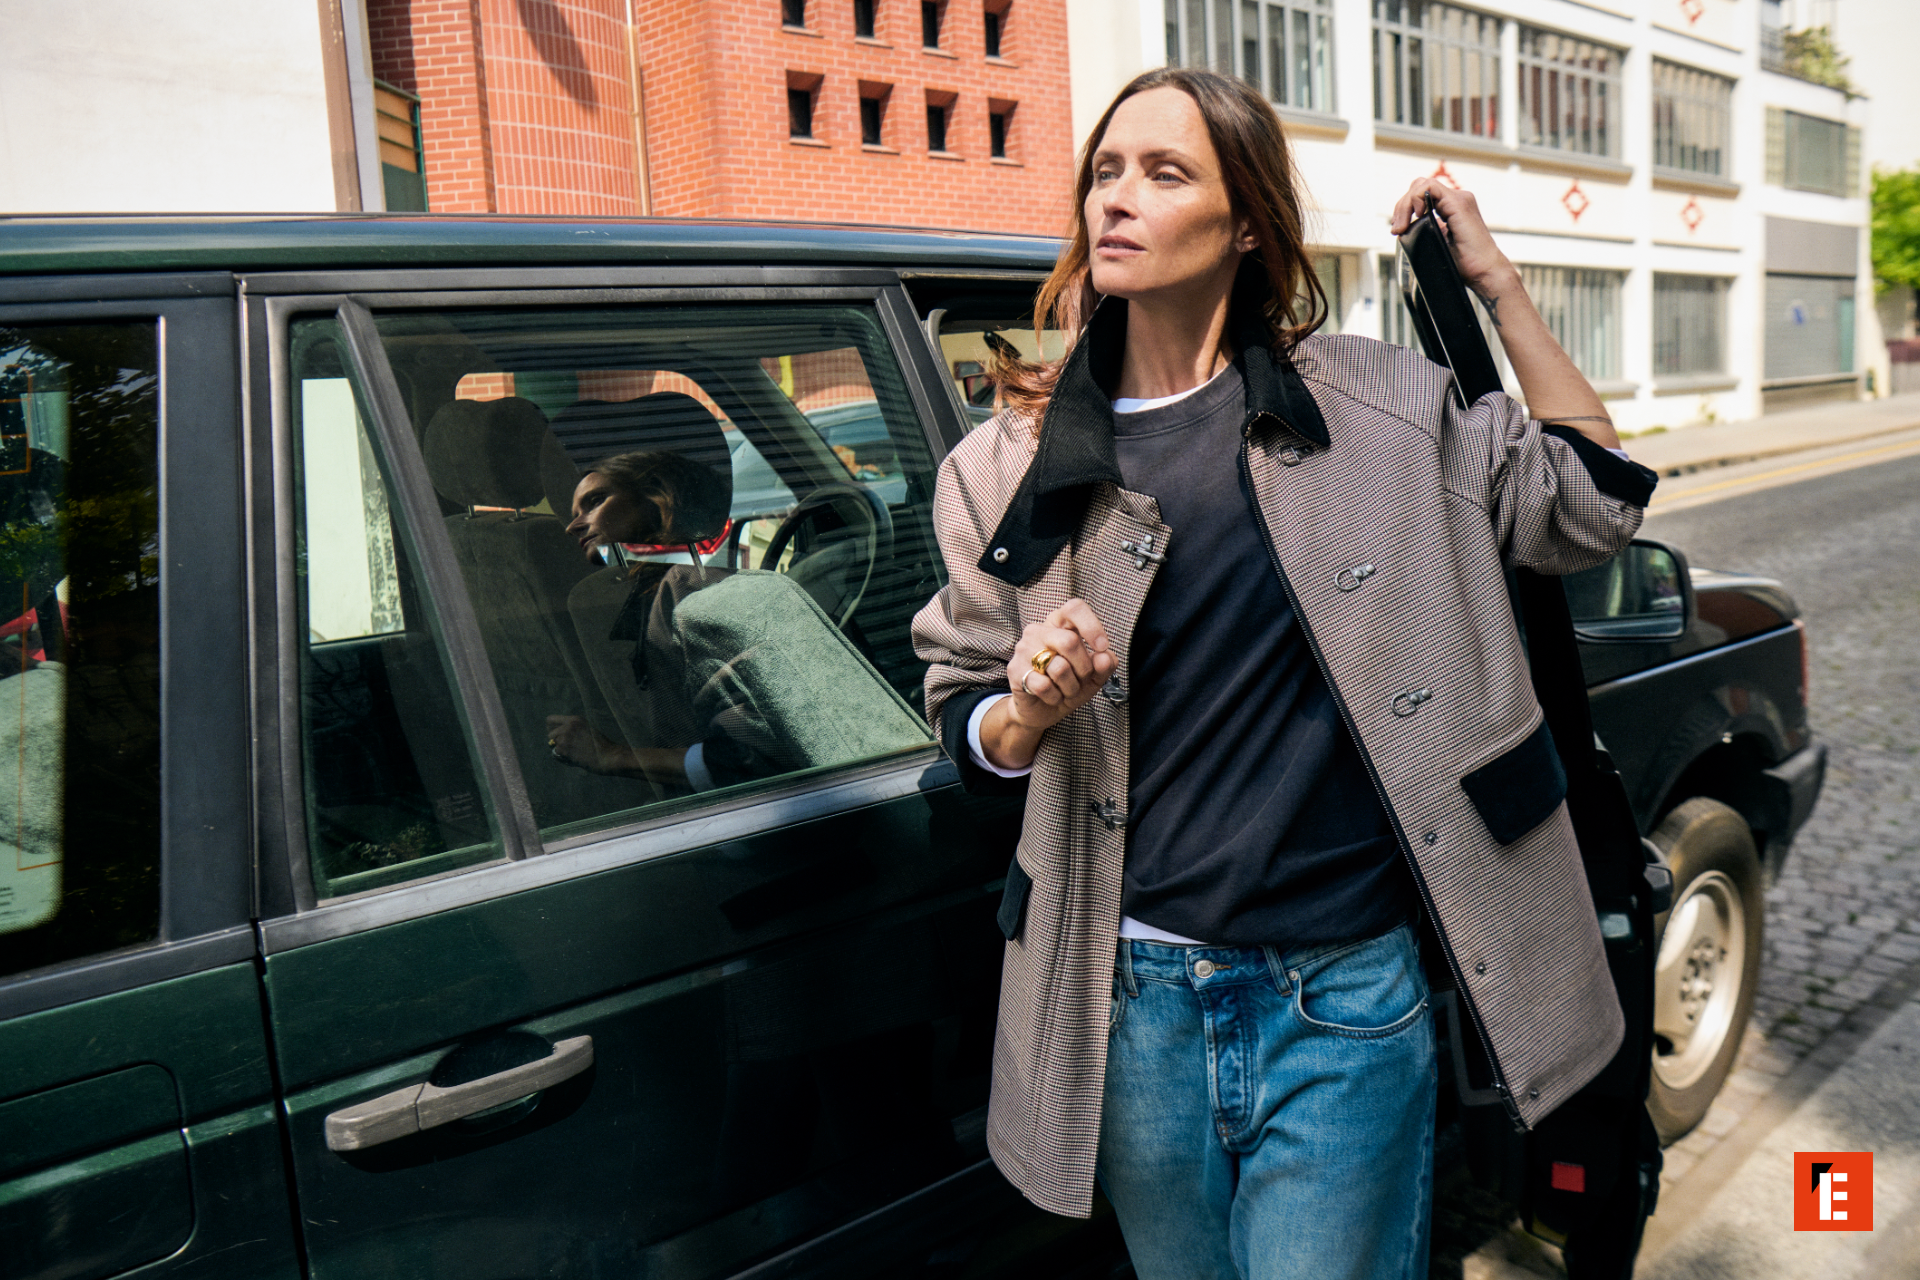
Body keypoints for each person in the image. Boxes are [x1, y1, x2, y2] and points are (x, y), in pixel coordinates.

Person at [910, 68, 1657, 1280]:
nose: (1119, 198)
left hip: (1345, 997)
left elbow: (1588, 510)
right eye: (1106, 170)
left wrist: (1497, 287)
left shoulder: (1382, 408)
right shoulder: (1003, 466)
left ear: (1247, 220)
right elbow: (960, 703)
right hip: (1131, 1003)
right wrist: (1022, 711)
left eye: (1164, 172)